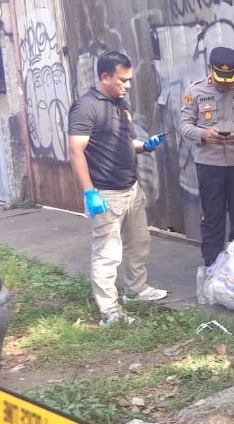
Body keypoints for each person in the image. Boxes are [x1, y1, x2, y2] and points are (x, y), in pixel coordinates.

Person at [68, 51, 169, 327]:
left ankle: (136, 290)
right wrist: (90, 192)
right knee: (108, 253)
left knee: (139, 242)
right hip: (106, 193)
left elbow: (127, 142)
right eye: (122, 80)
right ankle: (110, 312)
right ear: (105, 77)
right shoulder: (86, 107)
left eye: (129, 80)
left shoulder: (121, 104)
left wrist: (145, 146)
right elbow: (76, 151)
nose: (128, 85)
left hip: (131, 187)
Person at [178, 46, 234, 266]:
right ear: (210, 68)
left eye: (228, 79)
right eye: (220, 80)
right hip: (209, 165)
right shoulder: (195, 91)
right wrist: (204, 134)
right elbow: (185, 125)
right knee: (212, 217)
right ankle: (212, 267)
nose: (224, 84)